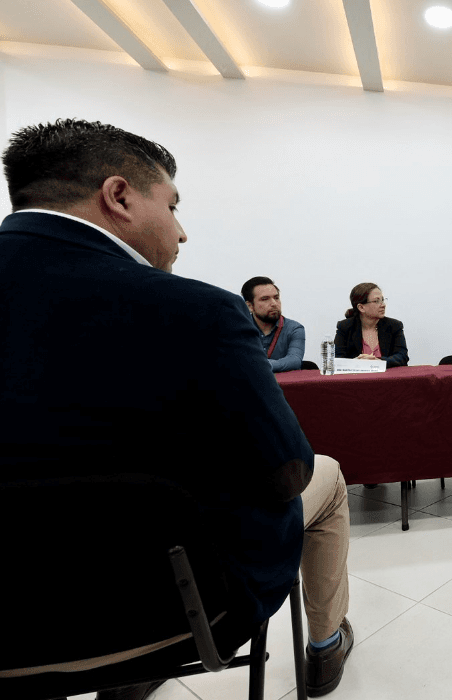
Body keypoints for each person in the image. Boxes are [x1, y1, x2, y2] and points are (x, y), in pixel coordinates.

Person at [0, 120, 353, 699]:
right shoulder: (197, 312)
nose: (182, 233)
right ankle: (324, 648)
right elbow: (287, 471)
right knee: (328, 475)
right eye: (173, 205)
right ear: (119, 197)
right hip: (178, 608)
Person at [334, 283, 408, 367]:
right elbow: (337, 359)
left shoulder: (394, 326)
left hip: (387, 377)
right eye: (376, 301)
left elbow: (402, 357)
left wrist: (379, 362)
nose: (383, 305)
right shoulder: (345, 327)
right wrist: (356, 363)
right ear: (361, 307)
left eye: (382, 300)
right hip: (356, 378)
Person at [242, 275, 306, 372]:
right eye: (265, 299)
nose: (274, 303)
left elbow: (294, 360)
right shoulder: (239, 329)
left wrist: (260, 365)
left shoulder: (294, 328)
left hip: (282, 385)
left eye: (276, 298)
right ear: (250, 306)